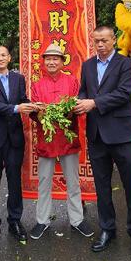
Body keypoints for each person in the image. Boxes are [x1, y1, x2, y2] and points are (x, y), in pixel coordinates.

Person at [75, 26, 131, 261]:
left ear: (113, 40)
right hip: (97, 135)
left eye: (104, 40)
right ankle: (107, 229)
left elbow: (123, 93)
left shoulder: (126, 64)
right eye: (96, 41)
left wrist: (93, 103)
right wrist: (78, 101)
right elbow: (84, 91)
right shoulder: (87, 65)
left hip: (123, 134)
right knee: (102, 187)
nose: (100, 45)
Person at [28, 44, 92, 240]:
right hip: (47, 140)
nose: (52, 62)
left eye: (56, 58)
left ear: (62, 61)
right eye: (48, 59)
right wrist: (41, 112)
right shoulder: (36, 85)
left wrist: (69, 109)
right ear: (44, 62)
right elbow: (33, 112)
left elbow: (78, 106)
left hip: (67, 138)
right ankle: (42, 220)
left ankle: (77, 220)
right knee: (44, 183)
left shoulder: (72, 81)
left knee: (72, 182)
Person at [0, 45, 33, 247]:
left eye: (4, 55)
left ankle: (15, 221)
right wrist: (17, 108)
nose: (0, 58)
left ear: (9, 57)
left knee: (14, 181)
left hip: (14, 138)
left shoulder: (18, 79)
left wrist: (35, 109)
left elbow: (23, 100)